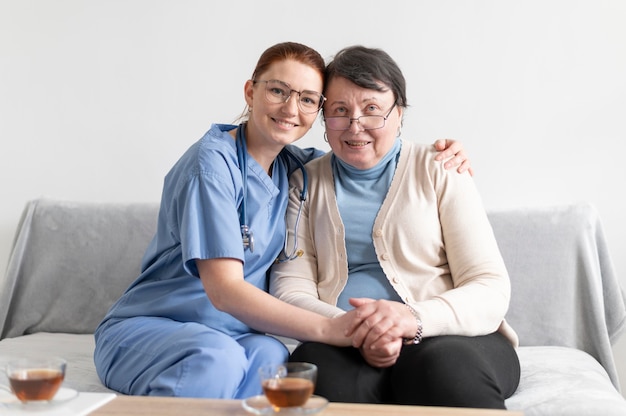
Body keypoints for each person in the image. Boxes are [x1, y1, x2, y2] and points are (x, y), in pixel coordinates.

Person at [93, 42, 471, 399]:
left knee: (272, 357)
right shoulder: (211, 166)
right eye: (278, 91)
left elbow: (363, 154)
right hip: (156, 328)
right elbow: (224, 291)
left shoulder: (296, 168)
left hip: (235, 334)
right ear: (250, 91)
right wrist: (332, 329)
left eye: (307, 99)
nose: (291, 109)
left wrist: (442, 154)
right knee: (217, 360)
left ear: (319, 112)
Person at [270, 45, 520, 409]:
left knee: (441, 369)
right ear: (325, 119)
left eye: (372, 110)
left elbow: (490, 286)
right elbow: (289, 289)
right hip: (342, 339)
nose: (356, 126)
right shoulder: (304, 184)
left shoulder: (441, 168)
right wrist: (355, 328)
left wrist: (410, 319)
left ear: (399, 113)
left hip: (450, 338)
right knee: (318, 374)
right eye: (340, 111)